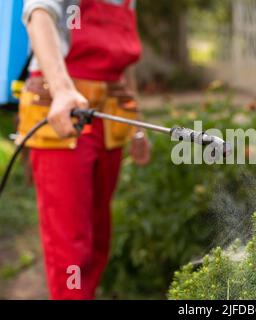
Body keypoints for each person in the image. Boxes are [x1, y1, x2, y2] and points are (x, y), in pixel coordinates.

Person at [19, 0, 151, 299]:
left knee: (97, 237)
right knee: (70, 243)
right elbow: (39, 15)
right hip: (61, 109)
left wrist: (138, 124)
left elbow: (125, 64)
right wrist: (62, 88)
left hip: (108, 114)